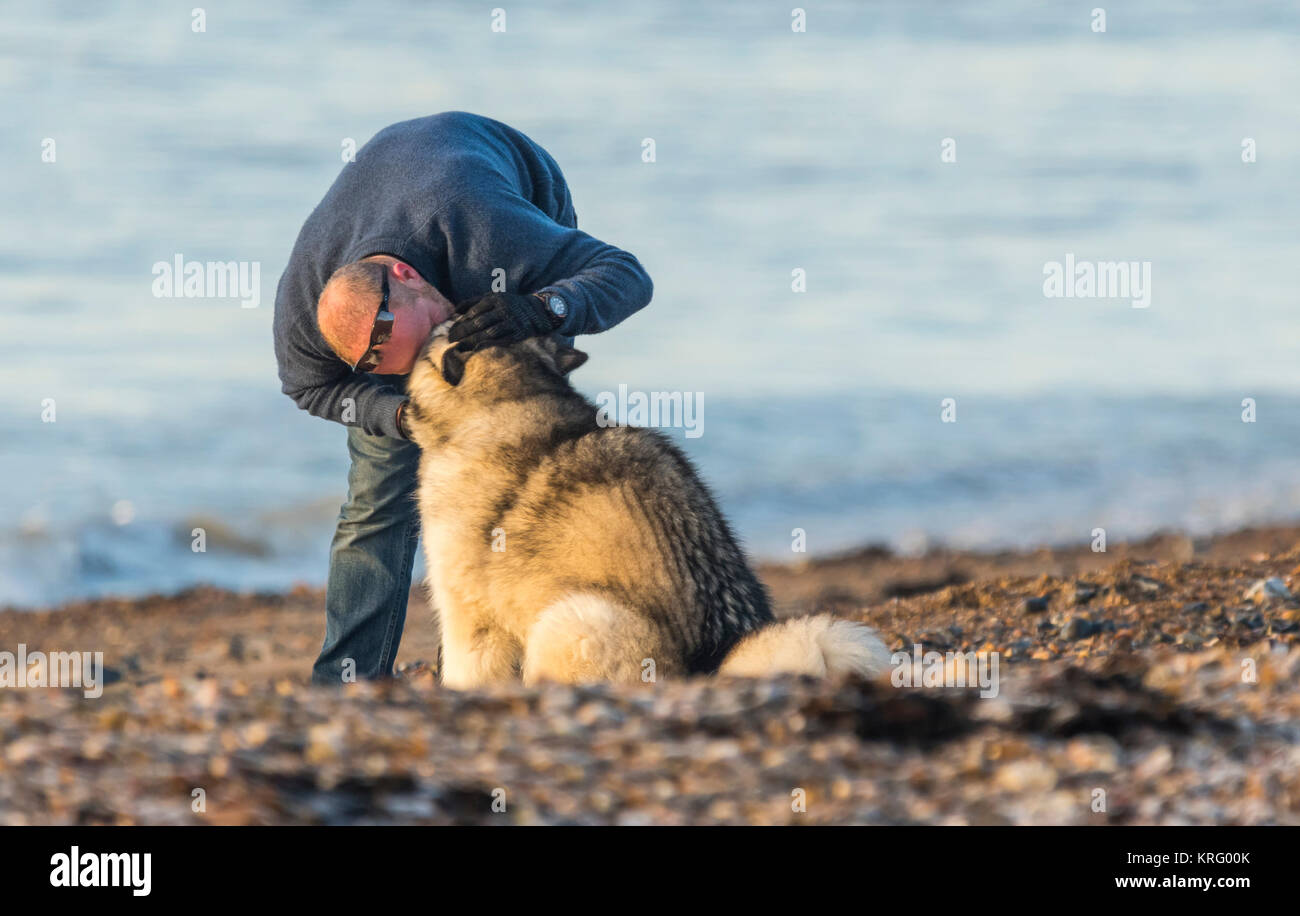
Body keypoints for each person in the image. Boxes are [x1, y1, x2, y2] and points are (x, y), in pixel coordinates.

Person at [272, 112, 653, 685]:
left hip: (503, 235)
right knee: (379, 497)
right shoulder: (304, 315)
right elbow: (309, 387)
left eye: (426, 344)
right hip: (406, 277)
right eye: (406, 368)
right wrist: (397, 413)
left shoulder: (491, 233)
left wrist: (545, 307)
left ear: (406, 274)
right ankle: (343, 685)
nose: (432, 365)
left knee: (530, 485)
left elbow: (627, 275)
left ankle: (525, 660)